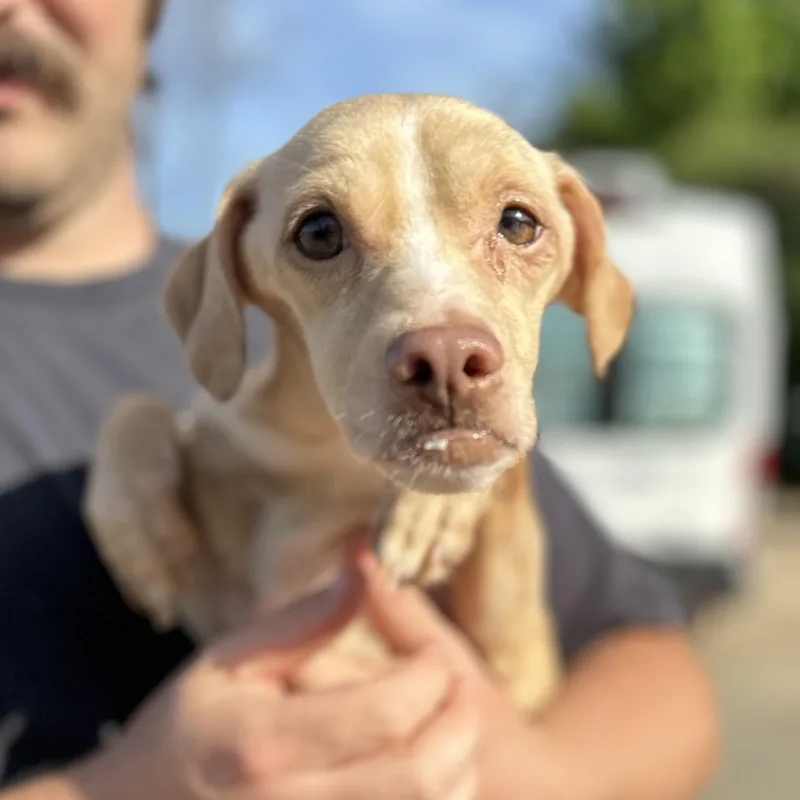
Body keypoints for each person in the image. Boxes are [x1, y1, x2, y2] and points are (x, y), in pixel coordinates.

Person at [0, 1, 719, 798]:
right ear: (238, 271)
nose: (445, 345)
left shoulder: (456, 456)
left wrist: (518, 775)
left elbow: (662, 675)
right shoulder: (197, 411)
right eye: (322, 236)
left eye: (516, 226)